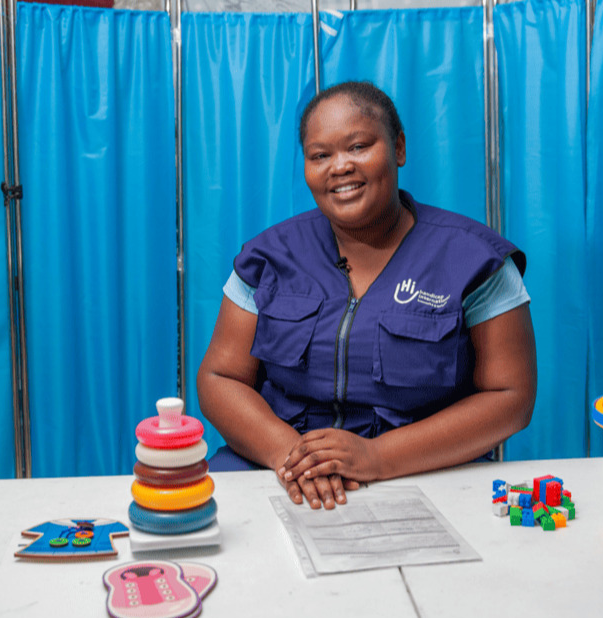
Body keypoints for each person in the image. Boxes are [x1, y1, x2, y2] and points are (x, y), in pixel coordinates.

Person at [197, 81, 537, 510]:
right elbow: (220, 378)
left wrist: (376, 457)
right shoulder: (268, 257)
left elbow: (511, 398)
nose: (339, 167)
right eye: (320, 155)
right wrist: (292, 456)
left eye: (358, 146)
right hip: (281, 471)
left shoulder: (474, 259)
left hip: (425, 473)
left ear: (398, 149)